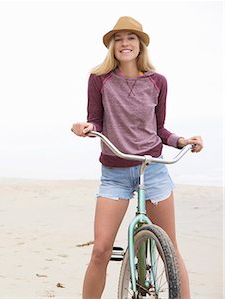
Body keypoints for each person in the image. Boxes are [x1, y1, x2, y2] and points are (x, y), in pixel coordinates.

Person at [71, 16, 203, 299]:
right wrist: (85, 128)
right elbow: (95, 120)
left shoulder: (158, 82)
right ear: (112, 46)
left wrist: (181, 141)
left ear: (140, 44)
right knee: (101, 250)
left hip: (153, 170)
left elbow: (159, 129)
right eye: (118, 39)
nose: (124, 43)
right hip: (115, 174)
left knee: (169, 248)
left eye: (131, 37)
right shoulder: (100, 80)